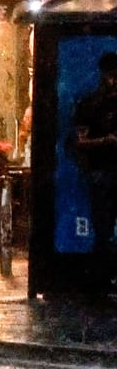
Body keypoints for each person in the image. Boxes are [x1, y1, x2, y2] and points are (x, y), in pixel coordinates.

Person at [71, 52, 117, 288]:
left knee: (103, 227)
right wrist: (105, 142)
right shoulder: (91, 105)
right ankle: (103, 276)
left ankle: (104, 277)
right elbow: (79, 142)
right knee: (103, 227)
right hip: (102, 171)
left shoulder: (91, 104)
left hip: (102, 171)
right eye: (110, 75)